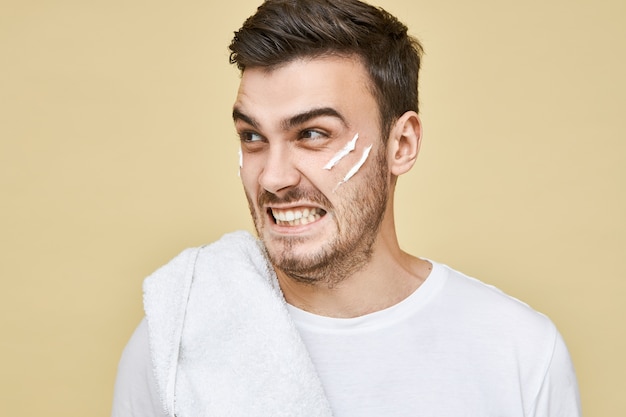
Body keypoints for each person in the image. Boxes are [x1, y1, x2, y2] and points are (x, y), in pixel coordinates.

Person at [112, 0, 581, 416]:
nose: (274, 177)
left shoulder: (520, 352)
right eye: (253, 137)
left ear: (401, 143)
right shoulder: (172, 344)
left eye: (312, 134)